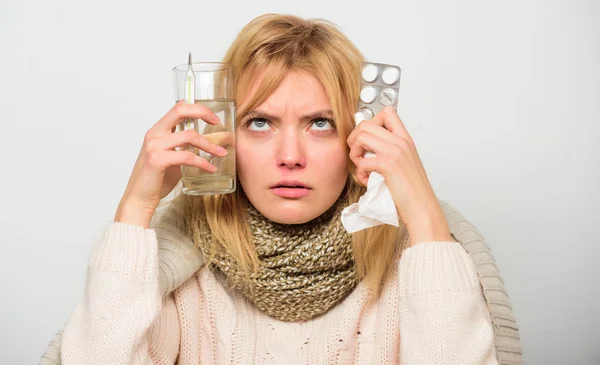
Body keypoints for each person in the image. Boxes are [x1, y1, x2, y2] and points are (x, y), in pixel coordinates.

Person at [42, 13, 523, 365]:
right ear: (223, 133)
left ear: (358, 133)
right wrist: (136, 206)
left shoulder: (419, 258)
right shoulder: (177, 268)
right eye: (259, 122)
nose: (290, 155)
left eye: (319, 122)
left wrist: (424, 218)